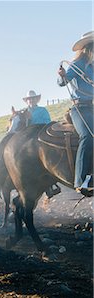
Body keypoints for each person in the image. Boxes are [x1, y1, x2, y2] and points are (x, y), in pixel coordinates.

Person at [58, 31, 93, 197]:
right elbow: (63, 81)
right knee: (88, 136)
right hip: (81, 108)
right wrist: (62, 76)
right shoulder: (77, 65)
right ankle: (81, 180)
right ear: (88, 48)